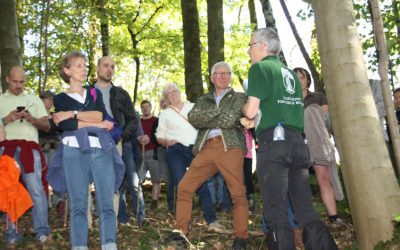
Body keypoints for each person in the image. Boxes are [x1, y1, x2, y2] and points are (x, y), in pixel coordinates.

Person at [242, 28, 337, 249]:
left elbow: (250, 110)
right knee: (305, 208)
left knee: (276, 210)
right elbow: (279, 109)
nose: (249, 50)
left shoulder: (259, 68)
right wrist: (254, 121)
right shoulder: (292, 76)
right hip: (297, 144)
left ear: (262, 46)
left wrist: (246, 115)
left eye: (251, 45)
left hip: (274, 147)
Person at [169, 62, 249, 250]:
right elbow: (195, 118)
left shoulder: (239, 97)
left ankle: (241, 237)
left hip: (230, 147)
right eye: (219, 74)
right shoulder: (203, 100)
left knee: (237, 192)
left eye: (226, 73)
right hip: (206, 148)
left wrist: (210, 117)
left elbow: (231, 118)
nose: (223, 76)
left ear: (230, 77)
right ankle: (181, 232)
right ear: (212, 78)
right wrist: (219, 114)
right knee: (185, 187)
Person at [52, 51, 120, 249]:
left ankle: (109, 244)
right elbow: (65, 126)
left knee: (106, 203)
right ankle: (79, 245)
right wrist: (93, 123)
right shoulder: (59, 98)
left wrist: (72, 114)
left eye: (85, 65)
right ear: (67, 70)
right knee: (78, 204)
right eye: (78, 66)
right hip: (73, 152)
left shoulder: (94, 93)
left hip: (101, 150)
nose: (84, 69)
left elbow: (99, 116)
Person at [93, 56, 148, 226]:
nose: (109, 69)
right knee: (106, 182)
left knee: (131, 180)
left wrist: (122, 136)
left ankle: (141, 216)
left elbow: (133, 119)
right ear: (97, 68)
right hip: (97, 144)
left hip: (122, 143)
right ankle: (120, 218)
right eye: (105, 66)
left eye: (112, 67)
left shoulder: (121, 94)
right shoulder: (88, 93)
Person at [156, 83, 220, 229]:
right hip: (175, 150)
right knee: (182, 184)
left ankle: (212, 221)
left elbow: (205, 125)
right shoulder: (165, 114)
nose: (172, 95)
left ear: (180, 92)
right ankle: (184, 223)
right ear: (166, 98)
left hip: (194, 149)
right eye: (168, 94)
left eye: (174, 91)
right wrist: (167, 141)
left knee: (202, 184)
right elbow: (159, 136)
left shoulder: (192, 107)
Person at [0, 66, 51, 244]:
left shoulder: (33, 100)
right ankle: (11, 233)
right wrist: (6, 119)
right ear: (7, 79)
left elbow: (47, 126)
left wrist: (32, 119)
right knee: (9, 190)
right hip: (6, 150)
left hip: (30, 148)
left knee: (36, 189)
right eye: (15, 82)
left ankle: (42, 231)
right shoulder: (0, 100)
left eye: (22, 82)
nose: (18, 85)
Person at [294, 67, 344, 223]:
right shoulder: (288, 100)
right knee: (297, 182)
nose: (299, 80)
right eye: (295, 78)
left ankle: (333, 216)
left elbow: (326, 121)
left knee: (323, 178)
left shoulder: (318, 97)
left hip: (317, 143)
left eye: (302, 77)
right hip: (296, 144)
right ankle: (303, 218)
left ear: (307, 79)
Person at [38, 90, 65, 217]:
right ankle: (44, 204)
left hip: (56, 149)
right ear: (41, 100)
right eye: (47, 99)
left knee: (57, 175)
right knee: (43, 177)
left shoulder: (56, 116)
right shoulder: (36, 117)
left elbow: (62, 131)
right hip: (42, 150)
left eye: (51, 99)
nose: (49, 101)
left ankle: (59, 201)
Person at [152, 97, 175, 212]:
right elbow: (153, 136)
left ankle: (183, 202)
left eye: (165, 101)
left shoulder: (177, 116)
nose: (164, 104)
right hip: (162, 151)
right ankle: (171, 205)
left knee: (179, 176)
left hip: (176, 150)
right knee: (168, 178)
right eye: (161, 102)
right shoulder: (158, 119)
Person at [140, 100, 162, 209]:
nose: (145, 108)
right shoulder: (138, 122)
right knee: (138, 179)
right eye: (143, 107)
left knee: (156, 179)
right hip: (140, 153)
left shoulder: (156, 121)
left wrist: (151, 140)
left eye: (147, 106)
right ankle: (139, 202)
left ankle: (154, 202)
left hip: (153, 153)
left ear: (151, 107)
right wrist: (139, 139)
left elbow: (160, 135)